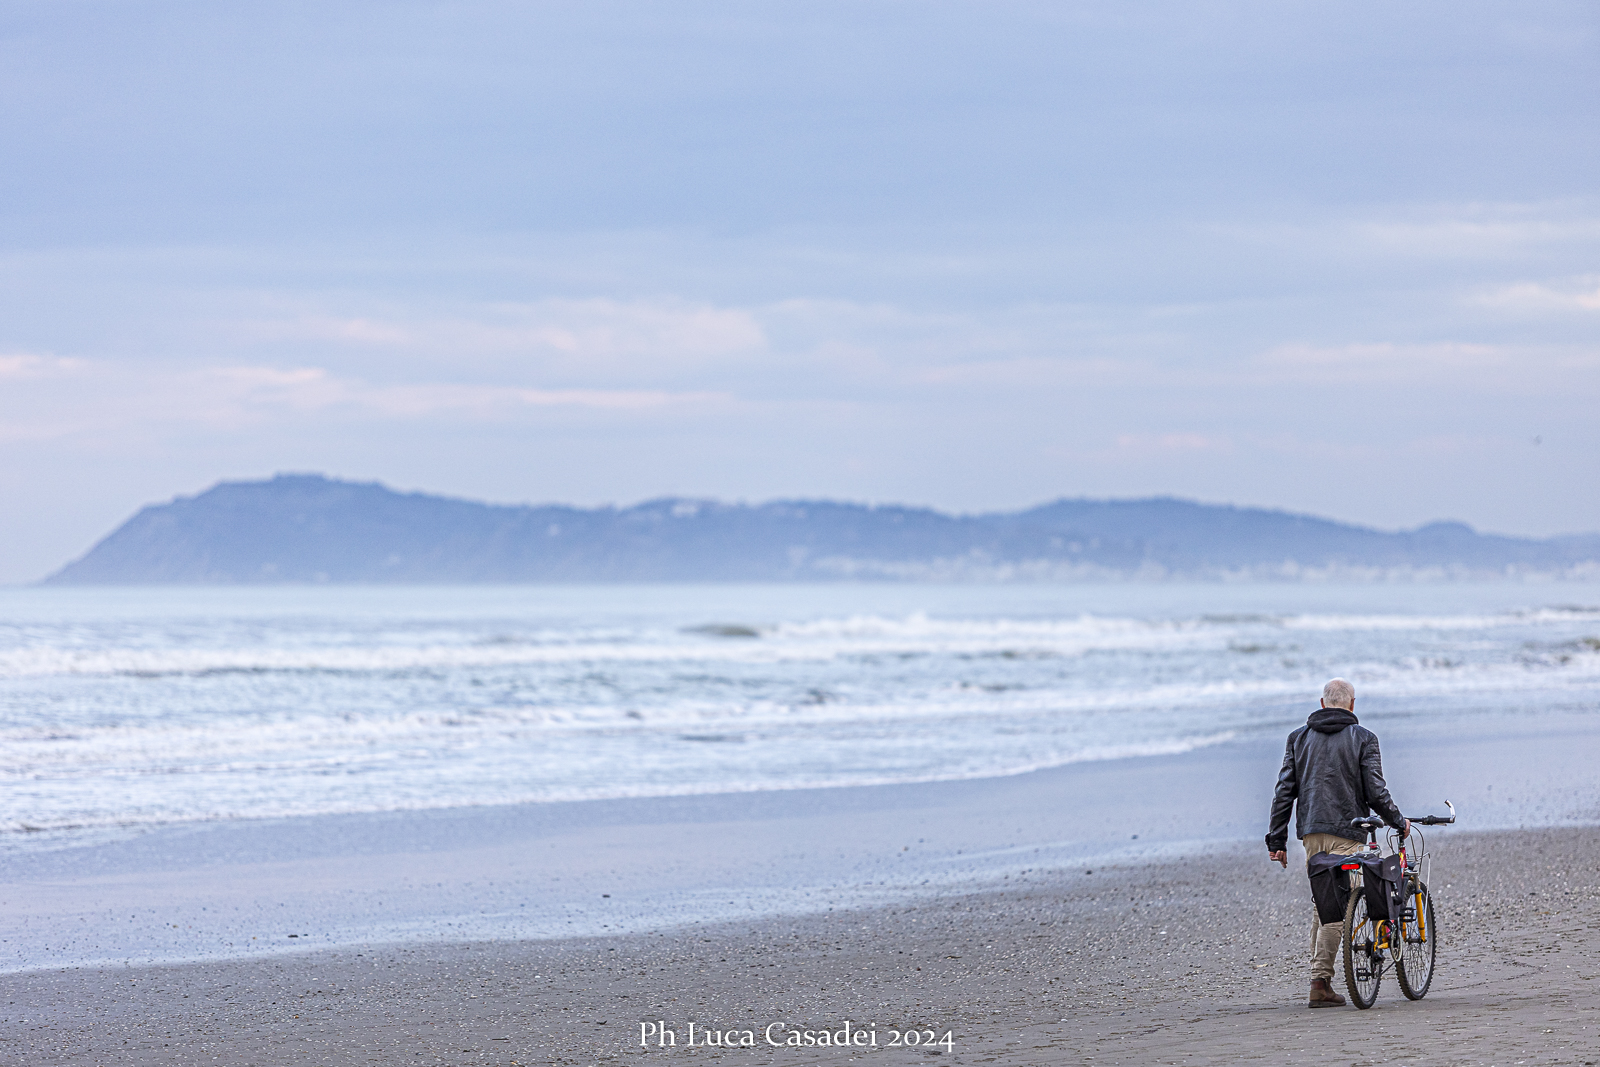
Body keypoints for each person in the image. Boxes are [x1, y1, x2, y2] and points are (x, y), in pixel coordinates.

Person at [1266, 678, 1407, 1008]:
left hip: (1312, 832)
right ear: (1353, 704)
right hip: (1348, 831)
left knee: (1323, 903)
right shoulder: (1364, 738)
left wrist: (1277, 839)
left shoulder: (1298, 738)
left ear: (1322, 702)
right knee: (1338, 910)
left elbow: (1284, 791)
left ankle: (1321, 980)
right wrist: (1399, 822)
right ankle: (1320, 982)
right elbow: (1375, 791)